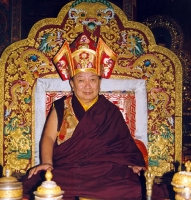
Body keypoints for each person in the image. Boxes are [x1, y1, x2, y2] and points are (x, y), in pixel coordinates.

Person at [22, 33, 146, 200]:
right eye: (81, 80)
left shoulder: (110, 111)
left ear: (99, 82)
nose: (87, 86)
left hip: (105, 170)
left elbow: (123, 144)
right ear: (72, 84)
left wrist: (132, 164)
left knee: (134, 187)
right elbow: (49, 137)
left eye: (93, 80)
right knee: (38, 183)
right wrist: (47, 163)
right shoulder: (61, 106)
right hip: (70, 170)